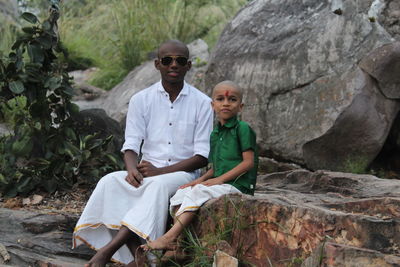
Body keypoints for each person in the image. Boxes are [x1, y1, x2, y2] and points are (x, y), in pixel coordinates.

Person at [72, 40, 213, 266]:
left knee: (156, 187)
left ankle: (108, 251)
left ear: (189, 65)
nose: (173, 65)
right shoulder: (141, 100)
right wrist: (131, 169)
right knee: (110, 181)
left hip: (183, 174)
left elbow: (202, 156)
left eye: (180, 61)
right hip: (147, 170)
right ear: (158, 64)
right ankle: (136, 256)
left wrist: (161, 171)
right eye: (167, 60)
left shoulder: (203, 103)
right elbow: (131, 145)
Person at [140, 80, 258, 252]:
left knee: (199, 192)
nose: (226, 103)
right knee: (182, 192)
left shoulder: (243, 129)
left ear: (241, 106)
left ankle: (169, 237)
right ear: (212, 105)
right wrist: (199, 180)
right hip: (222, 183)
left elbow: (248, 162)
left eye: (232, 100)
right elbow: (216, 167)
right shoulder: (215, 133)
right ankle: (179, 247)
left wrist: (218, 180)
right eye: (220, 99)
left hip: (238, 185)